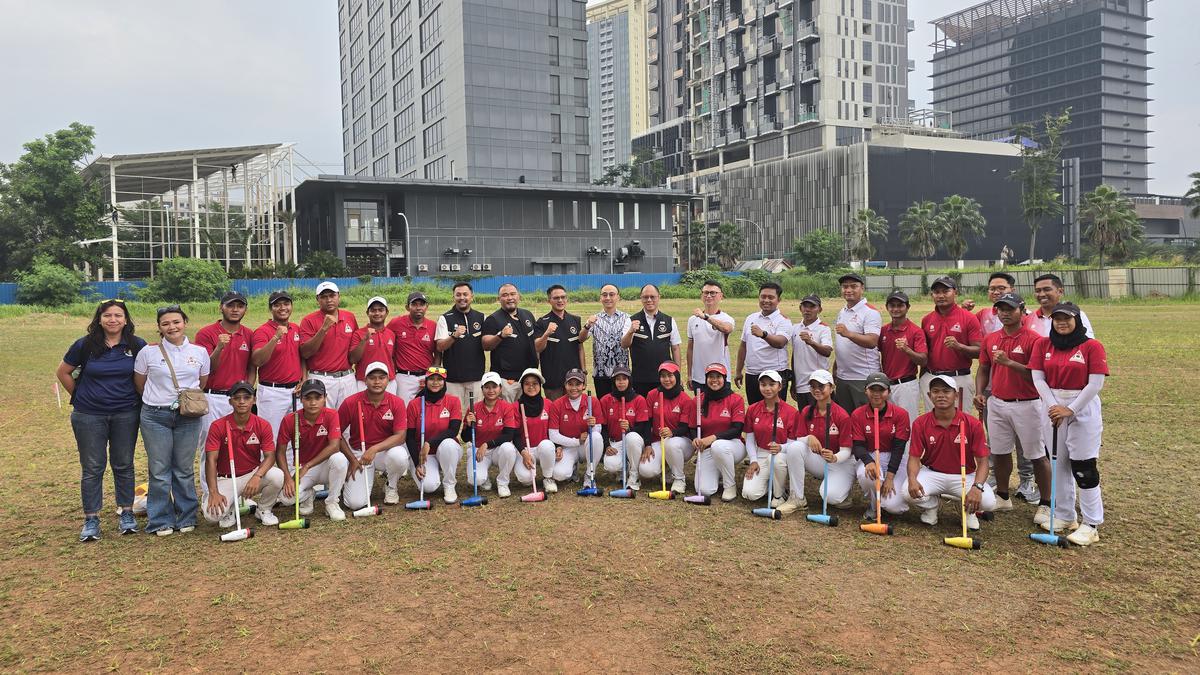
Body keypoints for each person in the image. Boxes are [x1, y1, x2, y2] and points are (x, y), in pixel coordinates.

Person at [57, 299, 147, 541]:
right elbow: (63, 372)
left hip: (126, 413)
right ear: (99, 319)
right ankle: (91, 518)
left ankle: (126, 513)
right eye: (107, 315)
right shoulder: (85, 345)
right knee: (93, 467)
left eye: (118, 315)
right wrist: (79, 396)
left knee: (123, 464)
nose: (113, 319)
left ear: (126, 320)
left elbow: (147, 373)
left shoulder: (137, 345)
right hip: (89, 415)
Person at [1029, 302, 1109, 547]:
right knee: (1058, 463)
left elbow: (1095, 384)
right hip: (1052, 406)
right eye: (1057, 319)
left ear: (1077, 320)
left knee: (1083, 466)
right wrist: (1054, 406)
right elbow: (1038, 378)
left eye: (1067, 318)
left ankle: (1091, 523)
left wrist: (1070, 409)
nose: (1062, 323)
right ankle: (1065, 514)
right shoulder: (1043, 344)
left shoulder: (1091, 346)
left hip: (1081, 407)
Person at [133, 305, 210, 536]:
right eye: (165, 323)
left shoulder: (199, 352)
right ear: (159, 327)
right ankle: (160, 519)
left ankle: (186, 516)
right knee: (159, 469)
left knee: (184, 468)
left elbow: (202, 381)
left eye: (176, 322)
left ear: (184, 322)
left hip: (188, 416)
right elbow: (140, 382)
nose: (172, 327)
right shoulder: (148, 352)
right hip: (155, 416)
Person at [974, 293, 1050, 516]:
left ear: (1022, 310)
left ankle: (1045, 503)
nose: (1005, 313)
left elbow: (1036, 375)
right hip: (997, 402)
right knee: (999, 452)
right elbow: (984, 368)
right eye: (1001, 309)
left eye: (1010, 309)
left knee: (1036, 455)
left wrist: (1009, 363)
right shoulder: (991, 338)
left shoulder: (1033, 339)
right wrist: (980, 392)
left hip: (1028, 404)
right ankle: (1003, 496)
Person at [905, 375, 997, 530]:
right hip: (932, 473)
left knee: (988, 502)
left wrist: (977, 487)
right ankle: (932, 505)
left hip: (964, 475)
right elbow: (914, 457)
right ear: (929, 396)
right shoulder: (921, 423)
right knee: (907, 493)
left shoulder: (972, 424)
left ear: (956, 395)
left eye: (946, 391)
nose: (940, 395)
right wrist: (912, 478)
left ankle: (968, 510)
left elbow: (982, 461)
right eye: (935, 391)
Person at [194, 291, 256, 505]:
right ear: (222, 307)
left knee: (241, 446)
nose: (235, 309)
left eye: (240, 306)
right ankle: (209, 494)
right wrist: (220, 347)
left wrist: (248, 391)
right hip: (213, 396)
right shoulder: (207, 333)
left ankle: (240, 496)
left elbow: (251, 367)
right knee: (211, 448)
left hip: (239, 398)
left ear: (245, 309)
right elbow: (205, 369)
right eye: (231, 305)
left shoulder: (248, 334)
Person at [201, 381, 284, 527]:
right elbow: (211, 460)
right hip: (225, 478)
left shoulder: (262, 425)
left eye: (246, 397)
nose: (241, 401)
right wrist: (214, 492)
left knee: (277, 476)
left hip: (251, 474)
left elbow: (270, 456)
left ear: (254, 400)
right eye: (237, 398)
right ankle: (229, 508)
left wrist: (257, 476)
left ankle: (264, 509)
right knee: (212, 515)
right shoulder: (217, 426)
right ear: (230, 401)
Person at [338, 361, 410, 514]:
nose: (377, 382)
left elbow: (400, 436)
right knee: (355, 504)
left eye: (381, 378)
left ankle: (391, 485)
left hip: (385, 452)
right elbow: (336, 434)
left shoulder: (397, 402)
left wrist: (375, 448)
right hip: (360, 453)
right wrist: (351, 459)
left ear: (388, 380)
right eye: (372, 378)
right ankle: (350, 484)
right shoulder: (351, 402)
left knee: (400, 456)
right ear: (365, 380)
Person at [275, 379, 351, 521]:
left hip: (325, 465)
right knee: (286, 499)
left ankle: (332, 502)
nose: (313, 402)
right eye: (308, 398)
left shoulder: (332, 414)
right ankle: (308, 495)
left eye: (318, 398)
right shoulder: (290, 419)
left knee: (339, 458)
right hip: (302, 467)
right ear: (301, 398)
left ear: (325, 398)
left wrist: (309, 465)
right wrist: (287, 477)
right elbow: (280, 451)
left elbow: (335, 446)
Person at [782, 369, 854, 514]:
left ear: (831, 387)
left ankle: (845, 490)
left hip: (840, 463)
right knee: (795, 447)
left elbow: (847, 450)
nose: (816, 390)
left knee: (831, 497)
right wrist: (809, 438)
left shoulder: (842, 415)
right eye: (813, 386)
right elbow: (800, 437)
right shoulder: (807, 411)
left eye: (821, 386)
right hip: (819, 461)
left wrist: (835, 457)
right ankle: (797, 498)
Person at [850, 373, 912, 521]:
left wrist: (890, 477)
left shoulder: (901, 414)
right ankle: (873, 506)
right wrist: (868, 461)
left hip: (894, 457)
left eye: (881, 390)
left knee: (894, 507)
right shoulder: (858, 414)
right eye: (873, 390)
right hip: (870, 455)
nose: (877, 394)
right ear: (866, 391)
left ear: (888, 392)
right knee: (866, 476)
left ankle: (885, 502)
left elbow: (899, 448)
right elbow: (858, 445)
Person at [919, 276, 982, 409]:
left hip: (959, 377)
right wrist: (922, 378)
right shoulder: (927, 319)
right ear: (932, 295)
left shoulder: (969, 318)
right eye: (937, 292)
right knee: (933, 423)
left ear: (955, 292)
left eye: (945, 291)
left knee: (961, 423)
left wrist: (959, 347)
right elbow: (926, 352)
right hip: (932, 377)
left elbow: (979, 351)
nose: (941, 295)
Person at [406, 366, 464, 504]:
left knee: (448, 444)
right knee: (429, 487)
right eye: (432, 379)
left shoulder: (453, 401)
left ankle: (449, 484)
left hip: (446, 449)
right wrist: (417, 463)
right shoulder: (414, 404)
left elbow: (453, 431)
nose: (435, 382)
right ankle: (432, 471)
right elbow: (409, 437)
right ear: (426, 381)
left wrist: (429, 443)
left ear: (444, 382)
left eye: (439, 379)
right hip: (424, 455)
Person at [251, 291, 304, 438]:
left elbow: (303, 356)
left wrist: (303, 379)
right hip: (272, 391)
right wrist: (275, 337)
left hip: (295, 391)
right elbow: (257, 360)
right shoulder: (263, 331)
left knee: (293, 437)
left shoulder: (296, 328)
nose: (282, 308)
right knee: (270, 437)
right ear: (270, 308)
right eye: (277, 305)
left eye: (286, 304)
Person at [740, 371, 798, 506]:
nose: (767, 388)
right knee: (749, 494)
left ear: (780, 386)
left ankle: (779, 493)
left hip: (782, 454)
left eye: (772, 384)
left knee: (776, 460)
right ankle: (768, 483)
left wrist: (781, 447)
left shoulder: (791, 412)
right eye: (763, 384)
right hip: (760, 453)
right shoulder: (753, 409)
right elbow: (749, 439)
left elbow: (794, 444)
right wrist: (753, 460)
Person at [690, 363, 746, 502]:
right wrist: (695, 439)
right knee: (704, 490)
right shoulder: (698, 400)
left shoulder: (736, 399)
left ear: (724, 378)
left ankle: (730, 486)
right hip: (707, 448)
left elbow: (737, 429)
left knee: (718, 446)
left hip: (733, 445)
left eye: (718, 377)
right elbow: (692, 426)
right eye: (711, 377)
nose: (714, 380)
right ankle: (720, 470)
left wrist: (713, 438)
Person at [299, 281, 359, 409]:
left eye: (332, 296)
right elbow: (305, 353)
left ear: (339, 296)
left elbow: (355, 348)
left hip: (347, 377)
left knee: (348, 423)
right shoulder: (308, 320)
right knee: (323, 422)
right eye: (324, 297)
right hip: (322, 378)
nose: (329, 300)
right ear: (317, 299)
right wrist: (324, 329)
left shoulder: (349, 317)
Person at [832, 273, 882, 412]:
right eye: (845, 287)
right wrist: (836, 366)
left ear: (862, 288)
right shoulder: (842, 311)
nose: (848, 290)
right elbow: (842, 343)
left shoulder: (870, 312)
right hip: (843, 376)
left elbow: (872, 341)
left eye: (853, 286)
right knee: (845, 421)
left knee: (865, 421)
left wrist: (849, 334)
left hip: (862, 377)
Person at [464, 372, 519, 497]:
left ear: (500, 388)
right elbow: (465, 438)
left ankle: (503, 482)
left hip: (498, 449)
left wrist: (487, 444)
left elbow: (509, 435)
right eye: (487, 387)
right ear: (482, 389)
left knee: (509, 448)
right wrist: (468, 425)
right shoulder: (474, 408)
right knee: (475, 480)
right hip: (479, 451)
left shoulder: (507, 407)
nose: (491, 390)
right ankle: (484, 478)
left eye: (494, 387)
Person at [735, 282, 791, 405]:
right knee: (755, 411)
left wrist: (763, 334)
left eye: (771, 297)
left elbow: (780, 342)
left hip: (774, 374)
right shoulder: (751, 318)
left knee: (775, 413)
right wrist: (739, 371)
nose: (766, 300)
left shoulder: (783, 320)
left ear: (778, 300)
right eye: (763, 296)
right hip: (752, 373)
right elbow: (743, 345)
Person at [548, 369, 607, 486]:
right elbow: (553, 435)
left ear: (584, 385)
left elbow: (598, 429)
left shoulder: (592, 402)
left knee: (595, 437)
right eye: (570, 384)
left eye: (578, 384)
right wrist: (576, 441)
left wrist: (593, 426)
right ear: (565, 385)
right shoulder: (557, 404)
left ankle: (589, 475)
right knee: (559, 474)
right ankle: (573, 468)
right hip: (568, 447)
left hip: (586, 445)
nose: (574, 388)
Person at [622, 284, 682, 397]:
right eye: (645, 297)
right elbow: (624, 345)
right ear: (641, 298)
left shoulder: (669, 320)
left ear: (659, 297)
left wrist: (677, 374)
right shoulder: (631, 320)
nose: (649, 300)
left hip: (664, 378)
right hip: (640, 378)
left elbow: (675, 348)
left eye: (652, 297)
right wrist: (630, 331)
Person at [483, 283, 539, 402]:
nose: (510, 298)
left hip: (528, 377)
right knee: (508, 415)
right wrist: (500, 335)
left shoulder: (527, 314)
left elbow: (535, 343)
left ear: (519, 296)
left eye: (513, 294)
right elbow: (486, 345)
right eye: (505, 295)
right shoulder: (493, 319)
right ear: (499, 299)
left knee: (527, 414)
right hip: (507, 379)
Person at [646, 361, 695, 494]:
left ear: (677, 377)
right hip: (658, 440)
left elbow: (685, 427)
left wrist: (672, 432)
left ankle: (679, 479)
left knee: (671, 444)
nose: (666, 379)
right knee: (647, 471)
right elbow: (647, 422)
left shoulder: (685, 399)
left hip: (682, 441)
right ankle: (667, 467)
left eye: (670, 375)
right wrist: (648, 444)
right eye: (663, 376)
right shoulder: (652, 395)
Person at [877, 291, 927, 421]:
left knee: (908, 424)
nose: (896, 309)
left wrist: (907, 350)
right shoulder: (883, 330)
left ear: (907, 307)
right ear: (887, 307)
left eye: (900, 305)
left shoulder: (916, 331)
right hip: (886, 385)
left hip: (906, 385)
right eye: (892, 305)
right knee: (888, 425)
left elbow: (923, 360)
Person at [435, 282, 486, 407]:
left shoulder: (481, 317)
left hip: (476, 378)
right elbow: (440, 346)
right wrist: (454, 336)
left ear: (472, 296)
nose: (462, 298)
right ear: (453, 297)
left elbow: (487, 344)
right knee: (455, 417)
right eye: (458, 295)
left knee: (474, 417)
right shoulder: (445, 318)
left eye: (465, 294)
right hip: (453, 379)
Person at [600, 366, 651, 490]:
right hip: (615, 442)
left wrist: (629, 428)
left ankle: (634, 475)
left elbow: (643, 427)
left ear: (630, 381)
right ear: (614, 381)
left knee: (631, 437)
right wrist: (607, 445)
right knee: (610, 465)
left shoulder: (639, 399)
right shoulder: (606, 400)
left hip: (634, 442)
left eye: (624, 379)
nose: (621, 382)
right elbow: (603, 427)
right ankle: (624, 468)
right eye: (618, 379)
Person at [534, 284, 588, 400]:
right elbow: (537, 348)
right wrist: (546, 334)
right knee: (556, 413)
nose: (560, 300)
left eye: (563, 297)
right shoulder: (542, 322)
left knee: (574, 412)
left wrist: (583, 371)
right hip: (553, 378)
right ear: (549, 300)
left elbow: (580, 347)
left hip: (574, 378)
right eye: (556, 298)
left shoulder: (575, 320)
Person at [513, 368, 561, 492]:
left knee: (546, 445)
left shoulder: (548, 404)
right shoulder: (516, 406)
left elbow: (554, 429)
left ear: (540, 385)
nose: (531, 387)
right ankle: (531, 473)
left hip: (544, 449)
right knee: (525, 479)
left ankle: (548, 477)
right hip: (525, 450)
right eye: (527, 383)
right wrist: (523, 453)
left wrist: (558, 447)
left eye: (534, 383)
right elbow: (514, 434)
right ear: (522, 386)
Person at [387, 291, 439, 401]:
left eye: (422, 304)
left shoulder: (433, 326)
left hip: (426, 376)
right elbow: (385, 340)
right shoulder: (396, 323)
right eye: (414, 304)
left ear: (427, 307)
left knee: (426, 412)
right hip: (404, 377)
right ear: (407, 307)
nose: (418, 308)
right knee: (405, 411)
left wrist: (431, 376)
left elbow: (438, 354)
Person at [685, 280, 735, 390]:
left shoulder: (726, 318)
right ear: (701, 296)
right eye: (705, 292)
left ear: (721, 296)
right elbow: (690, 349)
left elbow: (726, 328)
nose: (709, 296)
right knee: (700, 407)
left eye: (713, 293)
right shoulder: (692, 320)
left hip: (720, 376)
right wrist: (690, 375)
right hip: (699, 377)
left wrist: (705, 317)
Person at [586, 284, 632, 398]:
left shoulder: (627, 318)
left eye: (612, 294)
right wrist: (587, 325)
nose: (608, 298)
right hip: (601, 372)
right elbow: (581, 338)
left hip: (622, 373)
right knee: (603, 408)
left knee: (622, 406)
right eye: (604, 295)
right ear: (600, 297)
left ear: (618, 297)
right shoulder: (594, 319)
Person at [789, 294, 833, 410]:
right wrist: (794, 381)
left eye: (812, 307)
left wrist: (811, 342)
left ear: (819, 309)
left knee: (820, 418)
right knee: (805, 418)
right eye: (805, 306)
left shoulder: (823, 328)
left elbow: (827, 351)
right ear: (800, 308)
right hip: (801, 384)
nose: (807, 310)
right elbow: (795, 355)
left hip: (818, 384)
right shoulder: (795, 328)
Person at [349, 296, 396, 393]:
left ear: (386, 312)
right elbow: (353, 359)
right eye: (373, 310)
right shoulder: (359, 333)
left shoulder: (391, 334)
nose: (377, 313)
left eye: (381, 310)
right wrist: (364, 340)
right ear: (367, 313)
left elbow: (393, 358)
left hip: (388, 381)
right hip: (364, 381)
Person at [1031, 274, 1095, 338]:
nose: (1042, 294)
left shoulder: (1076, 315)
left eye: (1047, 289)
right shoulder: (1029, 318)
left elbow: (1087, 342)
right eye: (1038, 291)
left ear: (1060, 291)